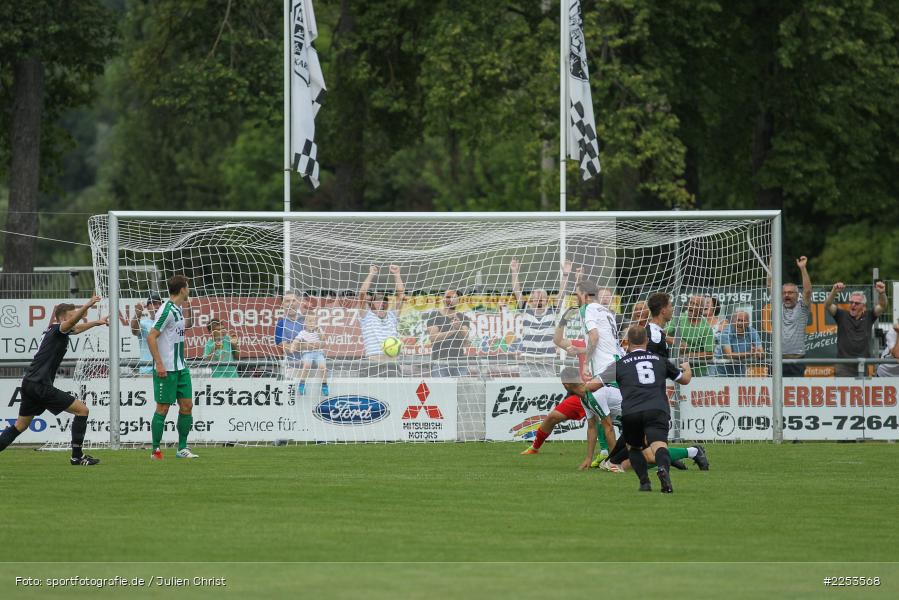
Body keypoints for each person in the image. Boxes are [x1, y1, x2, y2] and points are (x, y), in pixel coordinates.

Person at [0, 297, 107, 465]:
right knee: (82, 410)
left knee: (20, 426)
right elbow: (73, 323)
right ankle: (77, 457)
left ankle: (77, 456)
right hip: (40, 385)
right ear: (63, 318)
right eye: (71, 316)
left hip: (30, 383)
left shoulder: (54, 330)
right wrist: (86, 305)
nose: (76, 318)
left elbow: (76, 328)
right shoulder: (59, 328)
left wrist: (96, 322)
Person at [594, 326, 692, 493]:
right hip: (657, 408)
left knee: (634, 447)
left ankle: (644, 483)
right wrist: (687, 367)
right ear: (646, 340)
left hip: (632, 411)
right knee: (659, 445)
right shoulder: (659, 360)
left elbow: (593, 385)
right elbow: (684, 380)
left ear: (626, 342)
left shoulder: (619, 364)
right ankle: (663, 470)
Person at [147, 275, 197, 460]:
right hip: (166, 368)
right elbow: (151, 336)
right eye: (188, 287)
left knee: (187, 406)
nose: (189, 290)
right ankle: (155, 451)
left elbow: (188, 325)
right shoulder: (166, 310)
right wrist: (159, 364)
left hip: (181, 367)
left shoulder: (177, 309)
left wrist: (189, 306)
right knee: (163, 408)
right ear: (182, 289)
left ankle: (182, 448)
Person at [510, 258, 573, 377]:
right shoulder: (525, 310)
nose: (538, 300)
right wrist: (514, 272)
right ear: (531, 300)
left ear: (546, 301)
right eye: (535, 298)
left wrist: (565, 275)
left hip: (547, 362)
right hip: (527, 361)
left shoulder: (552, 311)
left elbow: (562, 293)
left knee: (547, 393)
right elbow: (516, 291)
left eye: (542, 298)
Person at [557, 367, 619, 470]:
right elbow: (591, 427)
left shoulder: (594, 395)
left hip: (637, 424)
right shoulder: (584, 398)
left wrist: (613, 461)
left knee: (641, 459)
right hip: (629, 426)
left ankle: (617, 460)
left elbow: (609, 428)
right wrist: (588, 458)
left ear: (565, 385)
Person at [825, 281, 888, 377]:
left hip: (862, 365)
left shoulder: (869, 315)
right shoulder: (841, 315)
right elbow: (828, 305)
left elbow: (883, 306)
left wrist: (882, 293)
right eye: (851, 302)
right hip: (843, 366)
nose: (853, 305)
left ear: (863, 306)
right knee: (843, 392)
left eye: (857, 303)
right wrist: (834, 291)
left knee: (862, 392)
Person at [358, 264, 405, 377]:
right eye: (378, 300)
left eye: (384, 301)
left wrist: (397, 275)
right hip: (373, 364)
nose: (381, 303)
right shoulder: (366, 316)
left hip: (392, 364)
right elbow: (362, 294)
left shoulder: (392, 316)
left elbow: (401, 296)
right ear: (371, 303)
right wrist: (371, 274)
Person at [427, 289, 470, 377]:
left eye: (454, 297)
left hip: (459, 363)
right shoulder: (435, 316)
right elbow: (433, 337)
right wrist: (453, 330)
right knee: (441, 390)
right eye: (448, 297)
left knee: (460, 389)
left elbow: (466, 340)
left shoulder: (463, 318)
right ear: (443, 299)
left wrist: (459, 328)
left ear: (458, 301)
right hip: (439, 362)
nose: (451, 300)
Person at [668, 295, 715, 376]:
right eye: (691, 303)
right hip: (676, 369)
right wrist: (676, 342)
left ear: (701, 309)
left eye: (696, 304)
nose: (691, 306)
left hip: (697, 373)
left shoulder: (706, 328)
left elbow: (709, 353)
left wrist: (688, 356)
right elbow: (662, 333)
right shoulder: (679, 318)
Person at [782, 256, 813, 377]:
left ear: (797, 294)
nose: (787, 295)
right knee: (774, 394)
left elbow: (808, 291)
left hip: (797, 360)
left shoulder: (802, 308)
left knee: (794, 395)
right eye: (784, 293)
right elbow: (770, 284)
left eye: (790, 292)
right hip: (778, 359)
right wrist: (771, 260)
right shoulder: (777, 307)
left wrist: (803, 268)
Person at [290, 312, 329, 396]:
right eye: (309, 321)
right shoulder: (302, 332)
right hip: (307, 353)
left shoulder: (319, 330)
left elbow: (323, 339)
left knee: (323, 367)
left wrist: (319, 331)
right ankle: (302, 383)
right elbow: (297, 340)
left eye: (313, 321)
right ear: (305, 324)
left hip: (318, 353)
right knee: (307, 365)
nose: (312, 323)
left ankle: (324, 385)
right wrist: (293, 346)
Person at [720, 311, 765, 376]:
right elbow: (729, 355)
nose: (740, 323)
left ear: (748, 323)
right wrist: (750, 353)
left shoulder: (752, 332)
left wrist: (759, 355)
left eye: (743, 321)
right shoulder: (726, 333)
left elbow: (761, 352)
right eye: (738, 320)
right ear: (732, 321)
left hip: (740, 371)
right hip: (722, 371)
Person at [130, 291, 162, 375]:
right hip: (147, 370)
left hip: (164, 369)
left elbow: (188, 325)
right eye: (154, 304)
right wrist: (137, 314)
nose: (158, 306)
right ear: (147, 307)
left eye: (160, 304)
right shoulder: (144, 324)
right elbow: (134, 330)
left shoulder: (167, 323)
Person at [274, 291, 305, 379]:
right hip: (293, 368)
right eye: (287, 301)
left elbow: (316, 342)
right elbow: (282, 347)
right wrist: (304, 346)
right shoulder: (281, 324)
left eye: (293, 301)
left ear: (298, 303)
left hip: (311, 365)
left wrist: (293, 346)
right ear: (283, 304)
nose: (290, 304)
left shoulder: (306, 320)